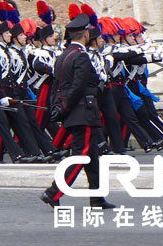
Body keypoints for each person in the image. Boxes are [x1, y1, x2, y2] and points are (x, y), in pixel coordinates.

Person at [41, 12, 115, 209]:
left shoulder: (63, 55)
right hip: (82, 111)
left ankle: (97, 198)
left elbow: (58, 86)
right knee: (81, 156)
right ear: (85, 34)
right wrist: (65, 107)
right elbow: (78, 86)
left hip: (75, 112)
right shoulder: (80, 56)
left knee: (91, 158)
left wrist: (58, 106)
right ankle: (53, 192)